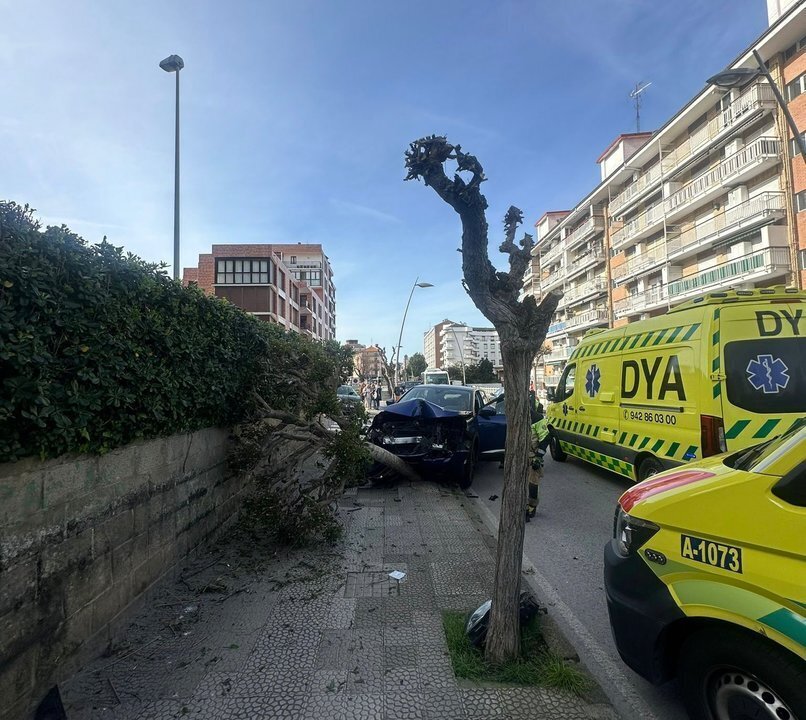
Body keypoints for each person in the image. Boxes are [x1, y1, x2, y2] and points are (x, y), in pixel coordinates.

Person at [526, 403, 550, 522]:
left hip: (532, 456)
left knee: (532, 482)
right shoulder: (515, 416)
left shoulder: (537, 418)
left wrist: (539, 457)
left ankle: (532, 506)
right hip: (519, 457)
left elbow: (545, 438)